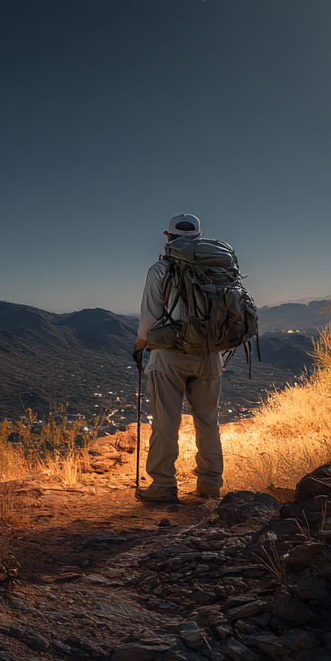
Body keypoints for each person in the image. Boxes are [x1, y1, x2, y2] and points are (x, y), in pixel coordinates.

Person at [132, 213, 226, 504]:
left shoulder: (160, 269)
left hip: (169, 356)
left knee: (165, 422)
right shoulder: (219, 268)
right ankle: (210, 485)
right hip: (210, 355)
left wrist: (139, 347)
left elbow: (149, 317)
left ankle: (163, 486)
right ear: (199, 237)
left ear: (167, 236)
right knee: (208, 421)